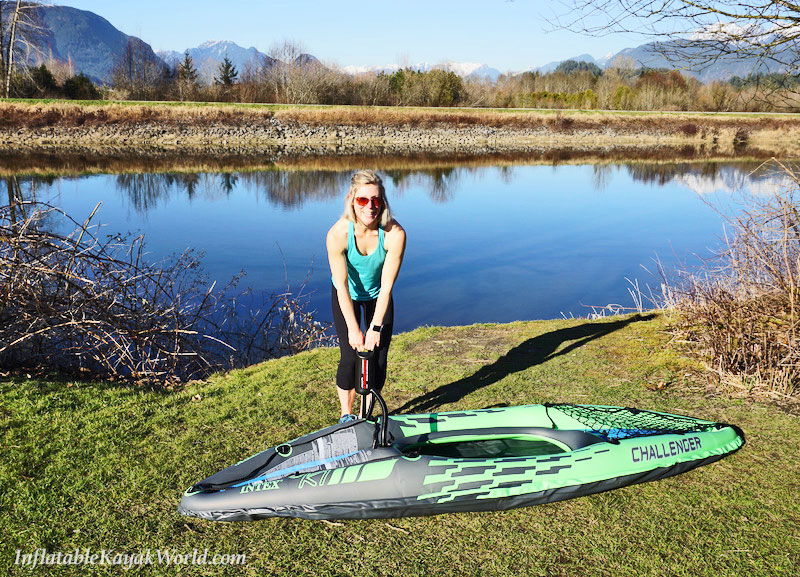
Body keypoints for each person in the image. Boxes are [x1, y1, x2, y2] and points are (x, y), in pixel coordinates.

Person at [326, 170, 406, 423]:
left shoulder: (395, 234)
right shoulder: (338, 234)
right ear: (351, 199)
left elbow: (387, 285)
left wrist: (375, 327)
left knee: (377, 359)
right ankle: (346, 415)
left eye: (376, 200)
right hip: (346, 295)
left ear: (383, 202)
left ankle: (365, 416)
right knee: (350, 357)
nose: (370, 207)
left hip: (378, 296)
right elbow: (341, 286)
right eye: (363, 200)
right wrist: (354, 328)